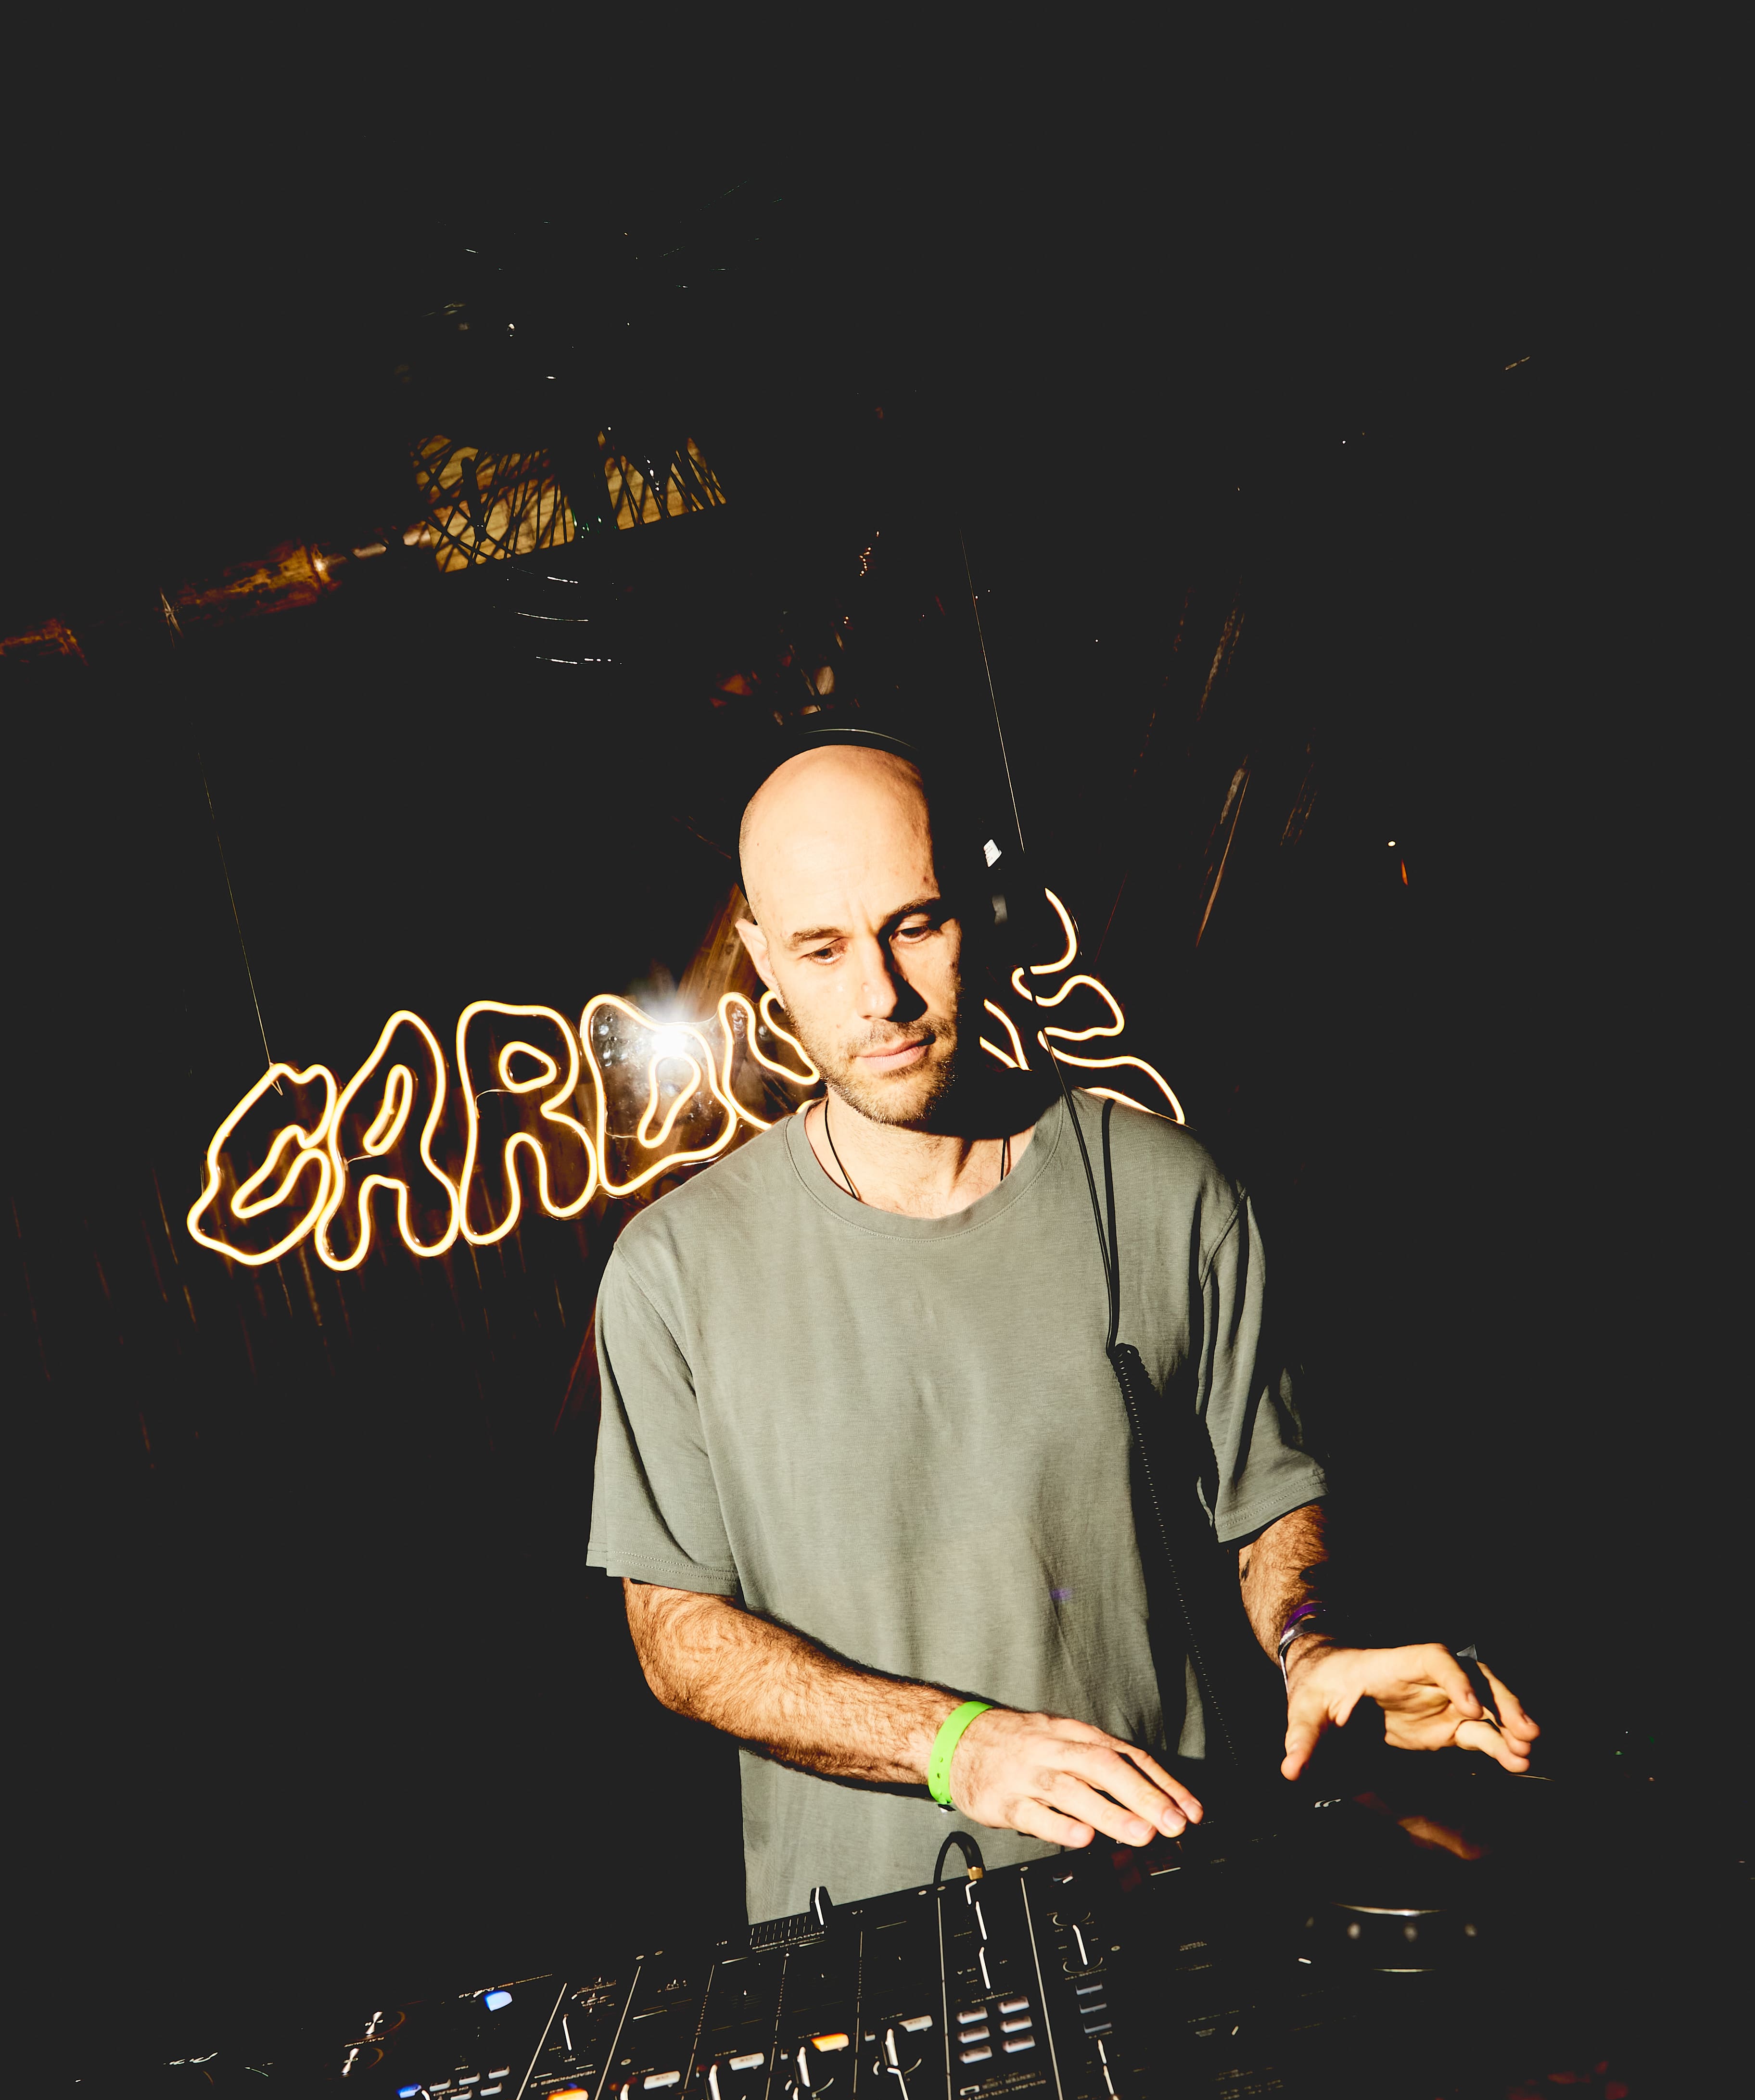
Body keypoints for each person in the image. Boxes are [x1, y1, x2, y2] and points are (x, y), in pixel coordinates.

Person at [586, 730, 1538, 1923]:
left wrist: (1314, 1644)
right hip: (866, 1957)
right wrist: (956, 1746)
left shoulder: (1170, 1192)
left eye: (915, 926)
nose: (880, 996)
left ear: (983, 913)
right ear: (763, 957)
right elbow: (677, 1635)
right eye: (824, 949)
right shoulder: (674, 1271)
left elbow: (1272, 1511)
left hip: (1183, 1907)